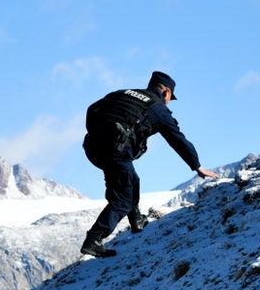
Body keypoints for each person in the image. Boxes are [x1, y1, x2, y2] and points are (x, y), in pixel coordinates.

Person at [81, 71, 219, 258]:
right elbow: (178, 139)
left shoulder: (123, 93)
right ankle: (94, 240)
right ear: (166, 92)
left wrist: (97, 133)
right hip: (116, 152)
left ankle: (136, 220)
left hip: (93, 147)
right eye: (171, 98)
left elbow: (92, 109)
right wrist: (197, 166)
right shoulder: (158, 108)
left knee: (130, 180)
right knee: (122, 199)